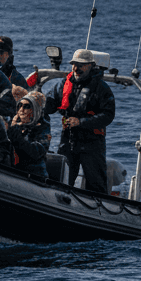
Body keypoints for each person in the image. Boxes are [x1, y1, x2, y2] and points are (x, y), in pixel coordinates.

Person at [44, 49, 115, 193]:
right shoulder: (62, 85)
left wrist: (81, 122)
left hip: (92, 142)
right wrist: (38, 101)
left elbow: (108, 115)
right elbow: (49, 104)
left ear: (90, 66)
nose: (76, 68)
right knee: (62, 178)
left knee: (96, 182)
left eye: (81, 65)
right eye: (74, 64)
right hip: (68, 139)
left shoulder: (101, 89)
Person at [7, 90, 50, 182]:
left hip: (34, 175)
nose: (21, 110)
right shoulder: (13, 125)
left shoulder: (43, 129)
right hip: (13, 171)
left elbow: (35, 152)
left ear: (35, 109)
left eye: (26, 106)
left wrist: (16, 136)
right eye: (20, 105)